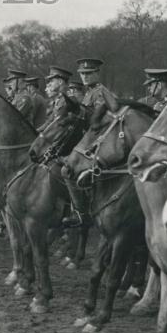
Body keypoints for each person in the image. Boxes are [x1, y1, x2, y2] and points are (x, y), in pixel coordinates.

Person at [62, 57, 117, 228]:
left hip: (99, 143)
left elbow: (100, 123)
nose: (85, 77)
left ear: (97, 74)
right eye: (82, 74)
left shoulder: (101, 93)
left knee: (67, 170)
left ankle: (81, 213)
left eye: (88, 73)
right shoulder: (89, 93)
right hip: (89, 141)